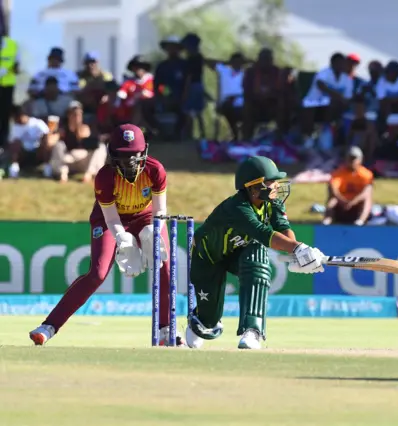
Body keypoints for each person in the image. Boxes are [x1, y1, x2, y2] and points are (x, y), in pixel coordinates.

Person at [29, 124, 178, 346]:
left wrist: (151, 232)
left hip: (147, 218)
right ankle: (49, 326)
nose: (129, 162)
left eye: (133, 156)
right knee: (97, 274)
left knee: (165, 268)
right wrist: (123, 238)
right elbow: (110, 218)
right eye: (123, 156)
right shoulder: (105, 177)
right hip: (110, 219)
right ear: (112, 154)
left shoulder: (155, 170)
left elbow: (160, 212)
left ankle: (165, 330)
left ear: (144, 152)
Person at [186, 156, 325, 350]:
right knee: (208, 323)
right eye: (270, 182)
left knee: (257, 257)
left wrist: (297, 253)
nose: (276, 186)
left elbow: (282, 227)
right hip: (208, 257)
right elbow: (263, 233)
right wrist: (298, 248)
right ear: (253, 188)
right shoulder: (237, 208)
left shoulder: (272, 201)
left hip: (240, 250)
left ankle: (252, 330)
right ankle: (201, 321)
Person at [323, 146, 374, 226]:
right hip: (341, 203)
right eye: (350, 158)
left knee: (367, 200)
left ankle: (360, 221)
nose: (352, 161)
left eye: (354, 159)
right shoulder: (338, 173)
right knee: (332, 200)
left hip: (356, 204)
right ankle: (326, 221)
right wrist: (343, 201)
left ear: (360, 160)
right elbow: (334, 190)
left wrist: (353, 202)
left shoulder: (366, 174)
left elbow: (366, 192)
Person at [0, 31, 19, 147]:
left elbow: (17, 67)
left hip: (7, 86)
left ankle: (3, 143)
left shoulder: (12, 45)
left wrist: (6, 71)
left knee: (4, 116)